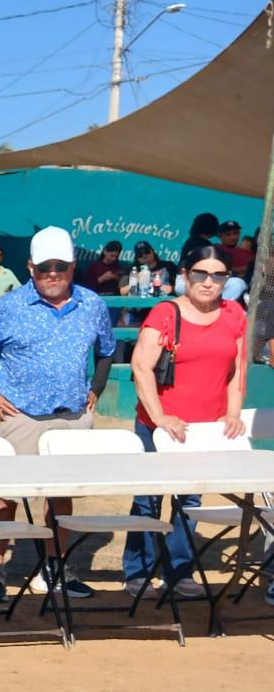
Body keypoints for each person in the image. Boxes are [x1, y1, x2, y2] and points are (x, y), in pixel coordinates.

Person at [0, 226, 116, 601]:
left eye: (59, 266)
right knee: (6, 494)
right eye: (43, 268)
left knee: (60, 495)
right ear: (30, 268)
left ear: (72, 267)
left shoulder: (93, 305)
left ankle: (56, 567)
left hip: (72, 416)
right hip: (21, 416)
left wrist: (96, 388)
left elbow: (107, 350)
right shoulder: (4, 309)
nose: (52, 273)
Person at [122, 243, 246, 598]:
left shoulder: (234, 314)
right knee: (148, 499)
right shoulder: (165, 313)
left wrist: (233, 412)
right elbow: (141, 366)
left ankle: (180, 571)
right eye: (200, 273)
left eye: (218, 275)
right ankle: (138, 571)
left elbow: (237, 370)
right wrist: (161, 418)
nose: (208, 282)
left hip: (203, 430)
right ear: (185, 275)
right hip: (159, 427)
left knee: (188, 502)